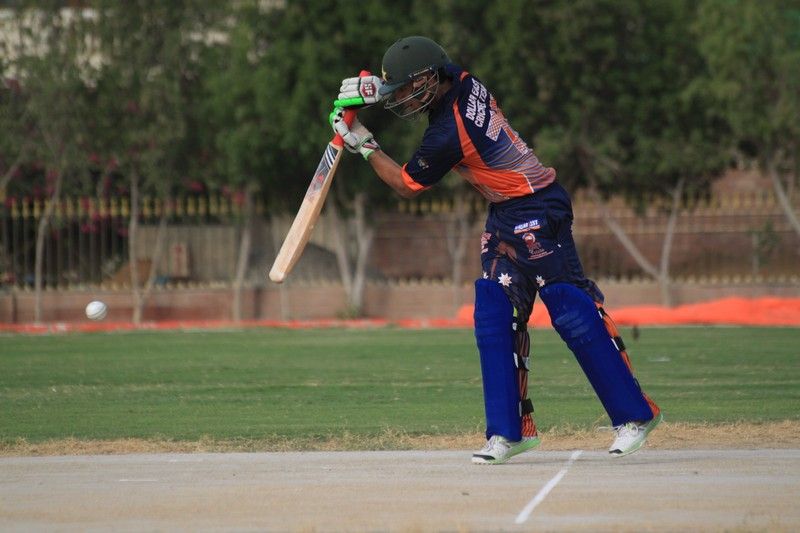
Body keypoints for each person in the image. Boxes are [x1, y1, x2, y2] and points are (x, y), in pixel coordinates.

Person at [331, 36, 662, 465]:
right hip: (505, 213)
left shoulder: (449, 132)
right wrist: (377, 88)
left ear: (431, 79)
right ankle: (510, 431)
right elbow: (427, 76)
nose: (405, 99)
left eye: (409, 89)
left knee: (571, 309)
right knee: (493, 312)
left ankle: (636, 415)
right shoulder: (464, 80)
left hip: (538, 207)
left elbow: (406, 184)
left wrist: (363, 142)